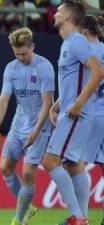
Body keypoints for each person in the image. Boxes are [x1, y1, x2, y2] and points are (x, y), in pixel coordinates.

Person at [41, 0, 104, 224]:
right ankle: (80, 216)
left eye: (59, 10)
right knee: (71, 164)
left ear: (68, 16)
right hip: (72, 111)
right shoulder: (69, 42)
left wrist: (77, 103)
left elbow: (98, 72)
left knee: (50, 161)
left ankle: (77, 216)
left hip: (77, 113)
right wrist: (58, 104)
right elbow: (78, 79)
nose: (55, 13)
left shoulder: (76, 41)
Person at [0, 27, 55, 225]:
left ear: (32, 46)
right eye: (16, 54)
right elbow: (4, 99)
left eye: (24, 53)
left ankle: (18, 219)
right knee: (5, 168)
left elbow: (48, 103)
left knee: (28, 172)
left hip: (41, 125)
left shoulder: (44, 67)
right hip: (19, 124)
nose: (20, 58)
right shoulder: (11, 68)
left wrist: (35, 132)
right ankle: (28, 207)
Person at [78, 15, 104, 224]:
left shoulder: (85, 53)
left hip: (91, 113)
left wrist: (59, 106)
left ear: (84, 32)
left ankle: (80, 218)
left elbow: (77, 85)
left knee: (74, 164)